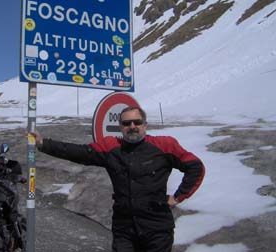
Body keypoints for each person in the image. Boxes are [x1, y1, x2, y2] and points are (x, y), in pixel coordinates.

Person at [31, 106, 205, 252]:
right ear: (120, 126)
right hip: (124, 228)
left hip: (157, 227)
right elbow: (80, 152)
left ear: (145, 124)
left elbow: (196, 167)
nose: (132, 126)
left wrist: (178, 197)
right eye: (126, 123)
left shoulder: (164, 145)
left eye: (137, 122)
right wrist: (44, 144)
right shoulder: (111, 147)